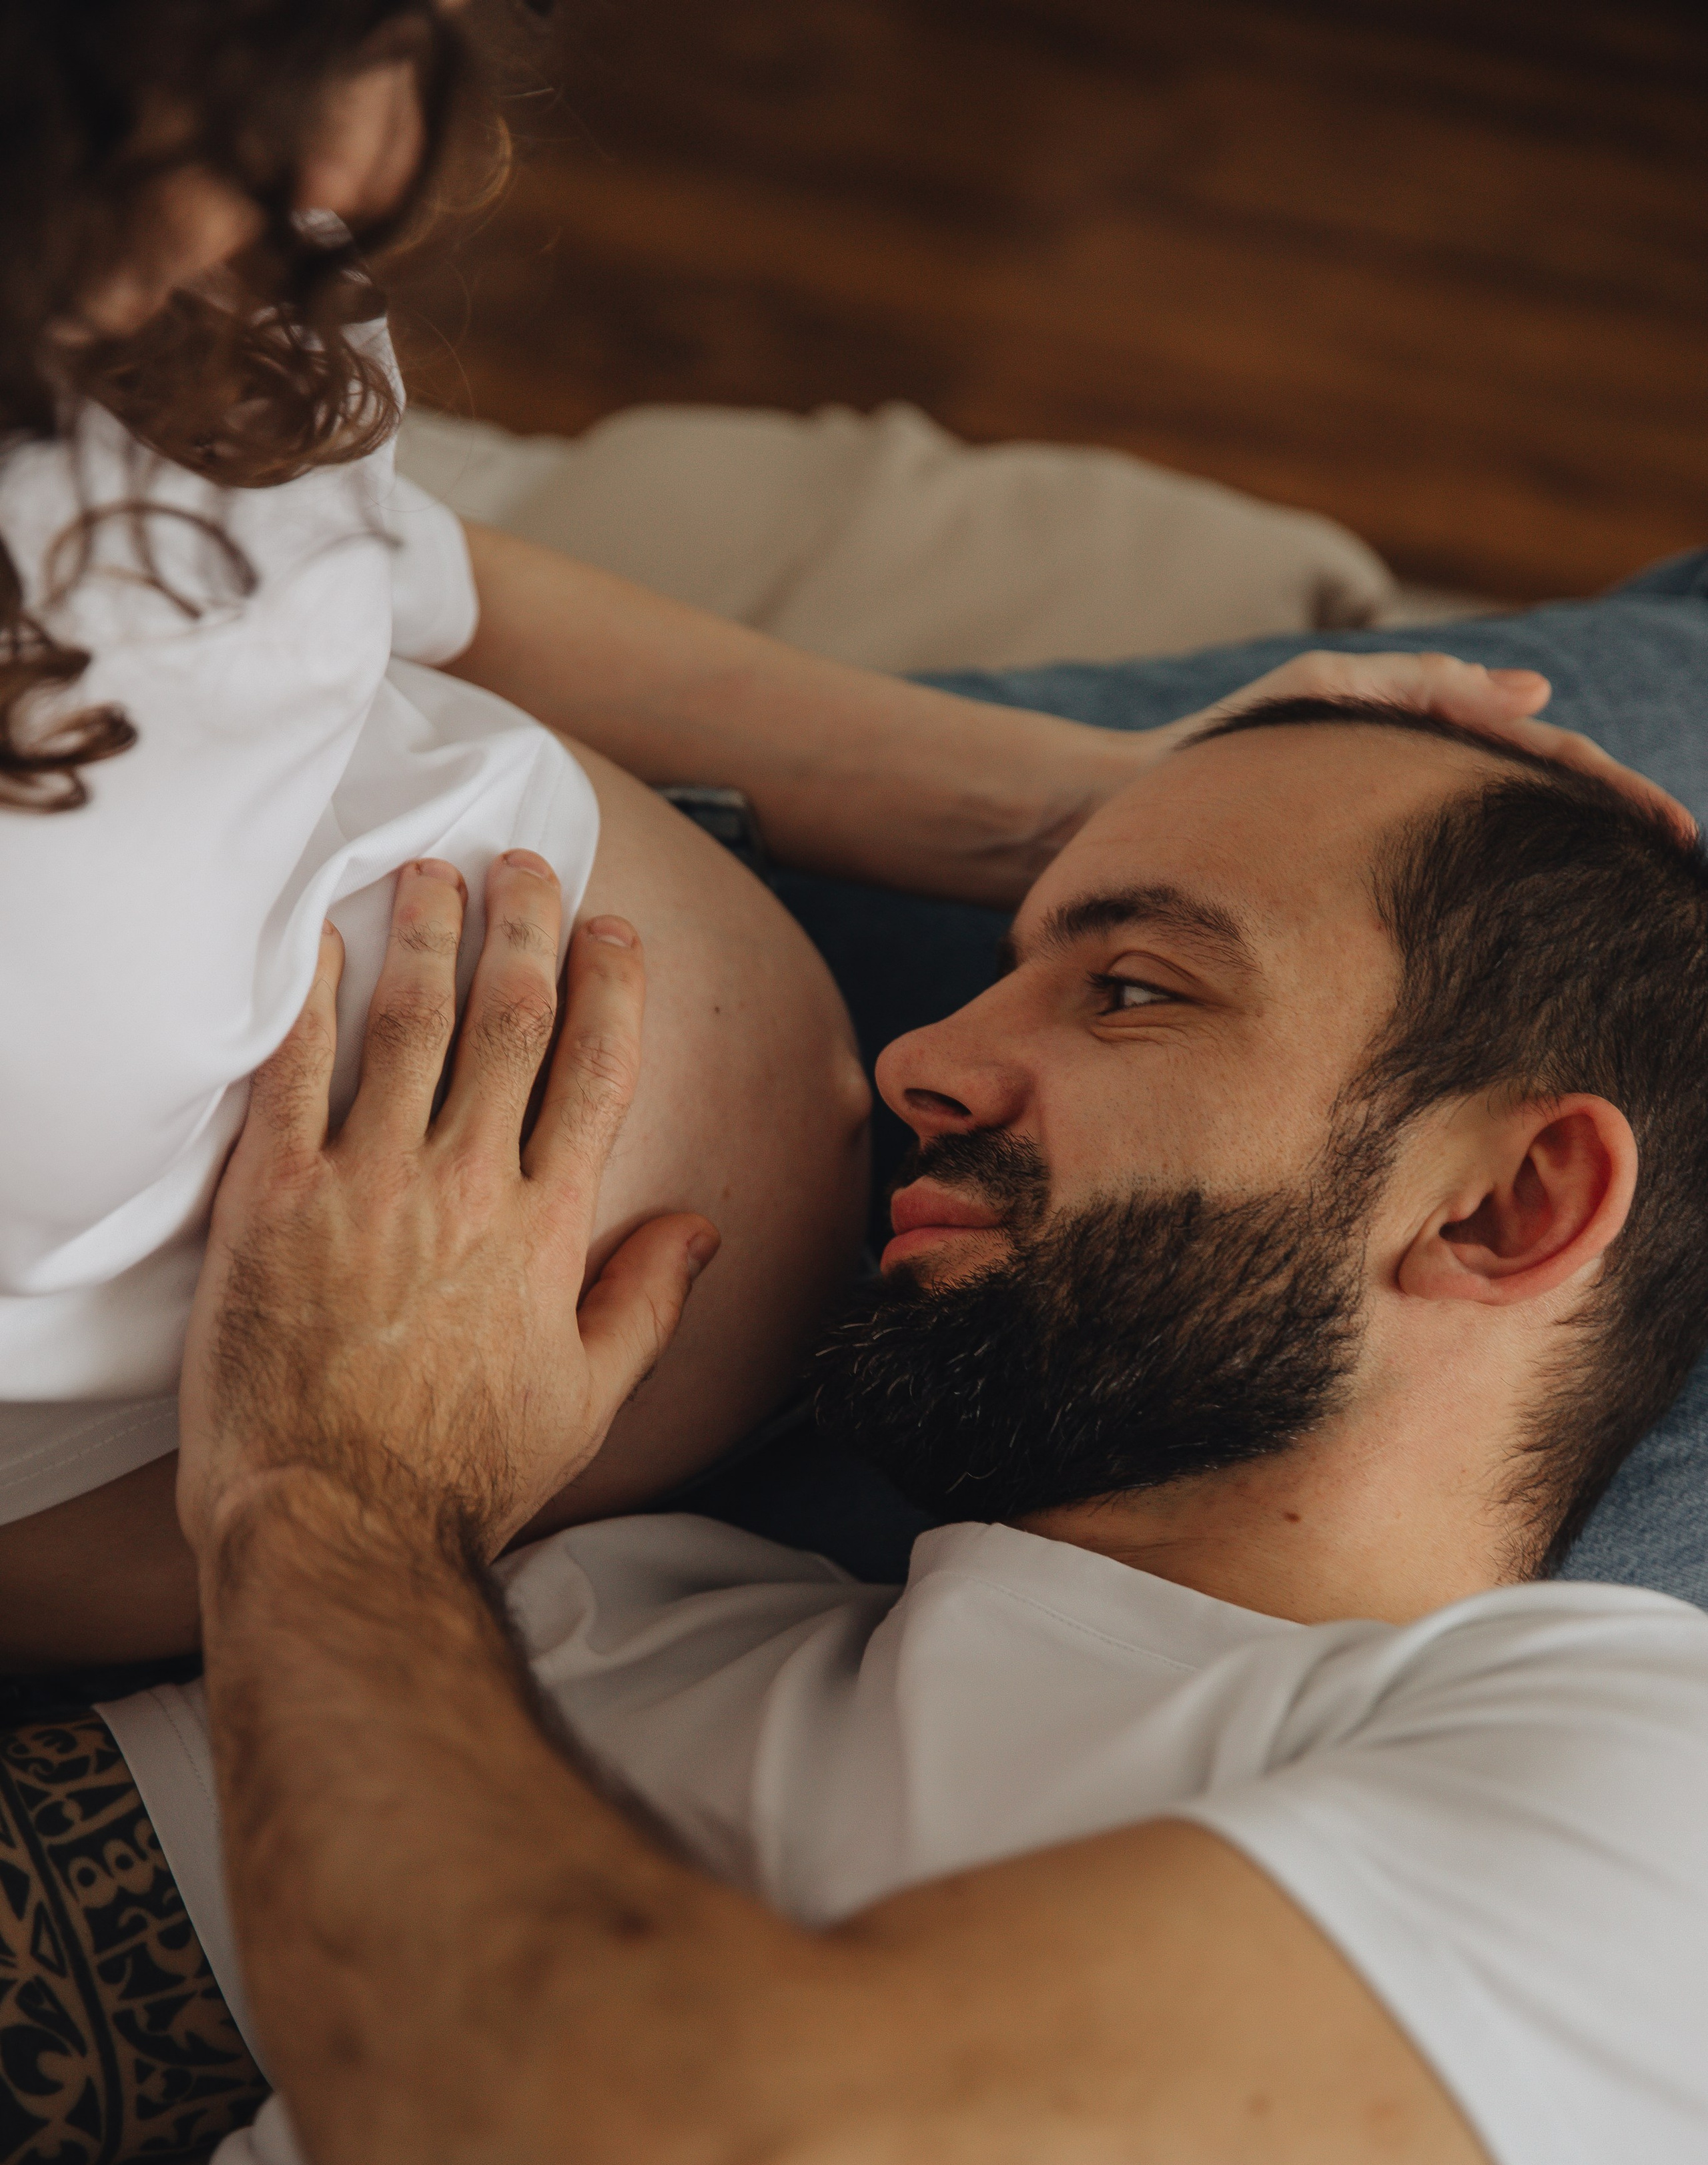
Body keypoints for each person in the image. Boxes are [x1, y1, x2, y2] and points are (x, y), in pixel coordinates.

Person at [5, 693, 1708, 2165]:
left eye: (1132, 990)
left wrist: (325, 1486)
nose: (921, 1060)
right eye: (1002, 973)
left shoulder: (1646, 1808)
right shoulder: (584, 1641)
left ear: (1507, 1204)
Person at [7, 0, 1617, 1678]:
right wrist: (315, 1511)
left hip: (830, 885)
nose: (359, 164)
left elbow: (377, 562)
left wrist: (1076, 811)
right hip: (482, 1522)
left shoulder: (198, 256)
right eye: (215, 113)